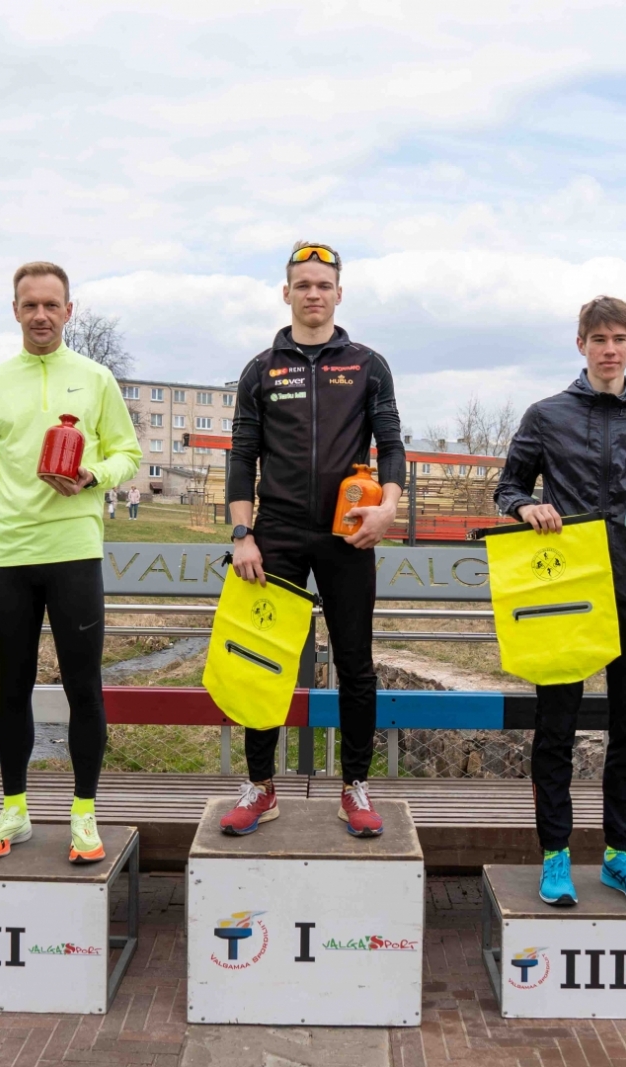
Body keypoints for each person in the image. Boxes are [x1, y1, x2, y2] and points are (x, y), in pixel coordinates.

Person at [494, 295, 626, 909]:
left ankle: (618, 856)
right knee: (557, 729)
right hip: (565, 597)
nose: (609, 349)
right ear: (581, 345)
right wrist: (526, 506)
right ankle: (555, 855)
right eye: (598, 338)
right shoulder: (547, 415)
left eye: (620, 339)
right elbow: (508, 486)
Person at [0, 261, 142, 862]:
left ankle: (84, 814)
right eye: (29, 305)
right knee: (12, 689)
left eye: (51, 305)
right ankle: (15, 811)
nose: (41, 315)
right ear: (15, 311)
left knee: (84, 687)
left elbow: (128, 453)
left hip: (74, 555)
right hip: (8, 557)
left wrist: (93, 475)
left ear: (69, 311)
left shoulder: (95, 379)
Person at [221, 240, 406, 837]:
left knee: (355, 664)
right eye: (303, 284)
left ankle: (355, 786)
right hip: (274, 536)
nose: (313, 294)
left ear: (338, 294)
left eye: (323, 285)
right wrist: (243, 534)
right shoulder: (260, 369)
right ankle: (260, 786)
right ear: (286, 293)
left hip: (349, 534)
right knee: (263, 661)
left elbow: (393, 446)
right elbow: (242, 456)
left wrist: (389, 512)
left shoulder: (368, 364)